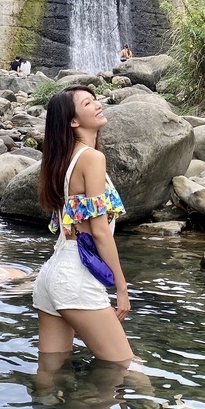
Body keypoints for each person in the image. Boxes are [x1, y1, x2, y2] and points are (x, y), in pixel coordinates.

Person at [32, 85, 133, 364]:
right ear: (73, 121)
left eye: (95, 99)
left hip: (51, 275)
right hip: (76, 277)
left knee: (50, 372)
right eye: (88, 103)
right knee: (127, 368)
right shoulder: (91, 158)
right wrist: (121, 288)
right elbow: (99, 231)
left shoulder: (62, 160)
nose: (98, 104)